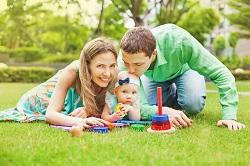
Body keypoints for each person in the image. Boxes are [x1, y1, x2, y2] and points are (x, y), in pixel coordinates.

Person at [118, 24, 246, 130]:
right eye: (126, 63)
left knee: (193, 104)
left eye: (137, 64)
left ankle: (179, 96)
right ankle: (170, 99)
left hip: (184, 70)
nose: (130, 70)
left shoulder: (180, 41)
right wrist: (162, 112)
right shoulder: (125, 57)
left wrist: (229, 116)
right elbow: (137, 105)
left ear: (153, 54)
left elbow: (222, 74)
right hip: (153, 78)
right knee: (150, 106)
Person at [0, 38, 117, 129]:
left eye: (111, 65)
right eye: (100, 66)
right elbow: (50, 114)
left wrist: (88, 110)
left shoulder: (115, 74)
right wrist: (80, 121)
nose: (107, 73)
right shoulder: (73, 72)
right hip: (42, 99)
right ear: (87, 66)